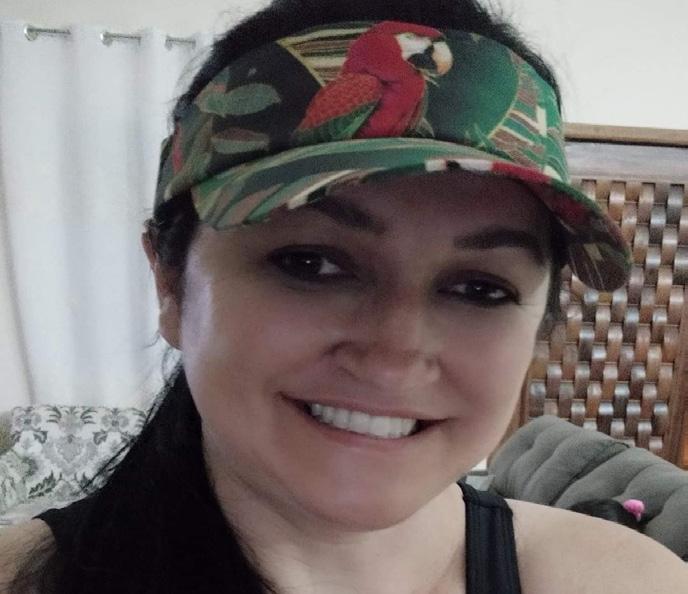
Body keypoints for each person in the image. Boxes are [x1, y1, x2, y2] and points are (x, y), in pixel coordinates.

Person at [1, 0, 687, 592]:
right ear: (169, 283)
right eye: (311, 264)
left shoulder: (625, 580)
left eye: (480, 288)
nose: (395, 353)